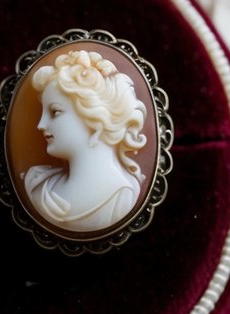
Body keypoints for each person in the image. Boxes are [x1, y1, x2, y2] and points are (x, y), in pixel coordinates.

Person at [23, 49, 148, 234]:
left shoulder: (124, 197)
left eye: (55, 112)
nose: (41, 125)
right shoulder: (38, 185)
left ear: (95, 119)